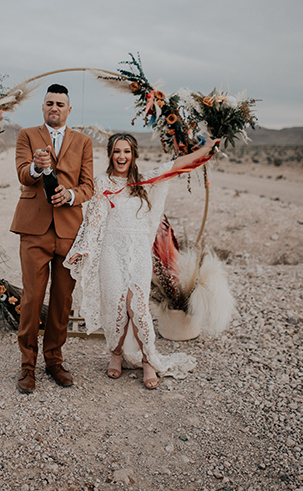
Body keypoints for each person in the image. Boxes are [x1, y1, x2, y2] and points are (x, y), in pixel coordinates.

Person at [65, 132, 219, 389]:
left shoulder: (146, 181)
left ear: (134, 154)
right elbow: (93, 220)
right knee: (115, 304)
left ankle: (148, 359)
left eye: (126, 151)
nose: (121, 156)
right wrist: (84, 248)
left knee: (137, 306)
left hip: (137, 254)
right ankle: (116, 354)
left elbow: (177, 165)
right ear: (110, 154)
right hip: (111, 253)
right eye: (117, 151)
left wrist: (209, 148)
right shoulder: (102, 183)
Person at [10, 83, 94, 394]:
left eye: (60, 104)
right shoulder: (27, 135)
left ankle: (54, 360)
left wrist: (71, 195)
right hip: (34, 229)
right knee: (32, 299)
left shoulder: (84, 142)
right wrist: (35, 166)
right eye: (49, 103)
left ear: (69, 110)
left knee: (62, 301)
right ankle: (27, 366)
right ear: (43, 108)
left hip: (69, 230)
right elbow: (21, 173)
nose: (54, 108)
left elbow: (88, 187)